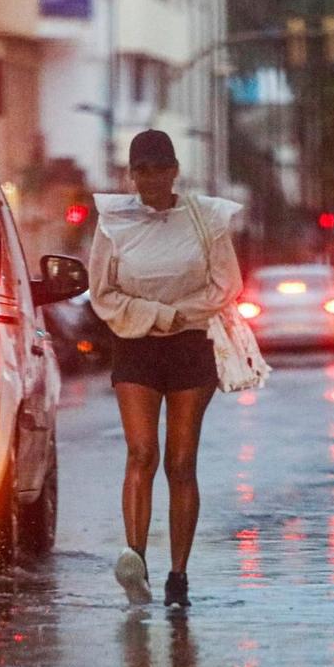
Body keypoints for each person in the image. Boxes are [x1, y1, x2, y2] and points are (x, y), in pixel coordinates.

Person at [87, 130, 242, 609]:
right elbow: (102, 293)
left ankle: (179, 575)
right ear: (131, 175)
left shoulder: (205, 218)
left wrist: (179, 315)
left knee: (180, 463)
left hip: (192, 347)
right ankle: (135, 562)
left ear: (175, 170)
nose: (150, 178)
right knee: (140, 452)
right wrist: (155, 315)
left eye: (159, 168)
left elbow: (226, 285)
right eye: (142, 169)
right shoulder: (113, 222)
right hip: (135, 346)